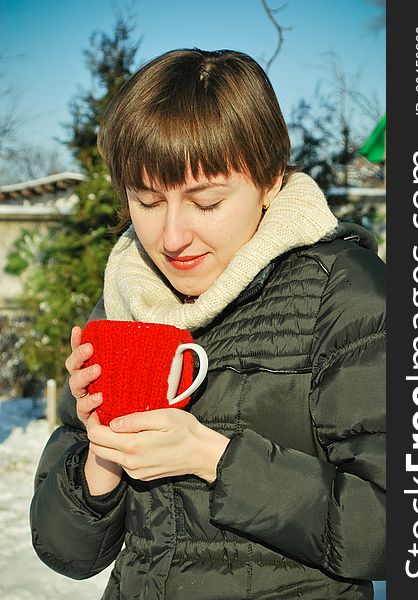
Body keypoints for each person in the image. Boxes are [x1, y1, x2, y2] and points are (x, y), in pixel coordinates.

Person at [30, 48, 385, 600]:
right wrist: (101, 452)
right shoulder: (129, 296)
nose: (172, 238)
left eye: (206, 202)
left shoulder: (343, 292)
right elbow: (66, 552)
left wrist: (216, 459)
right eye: (147, 201)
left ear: (269, 181)